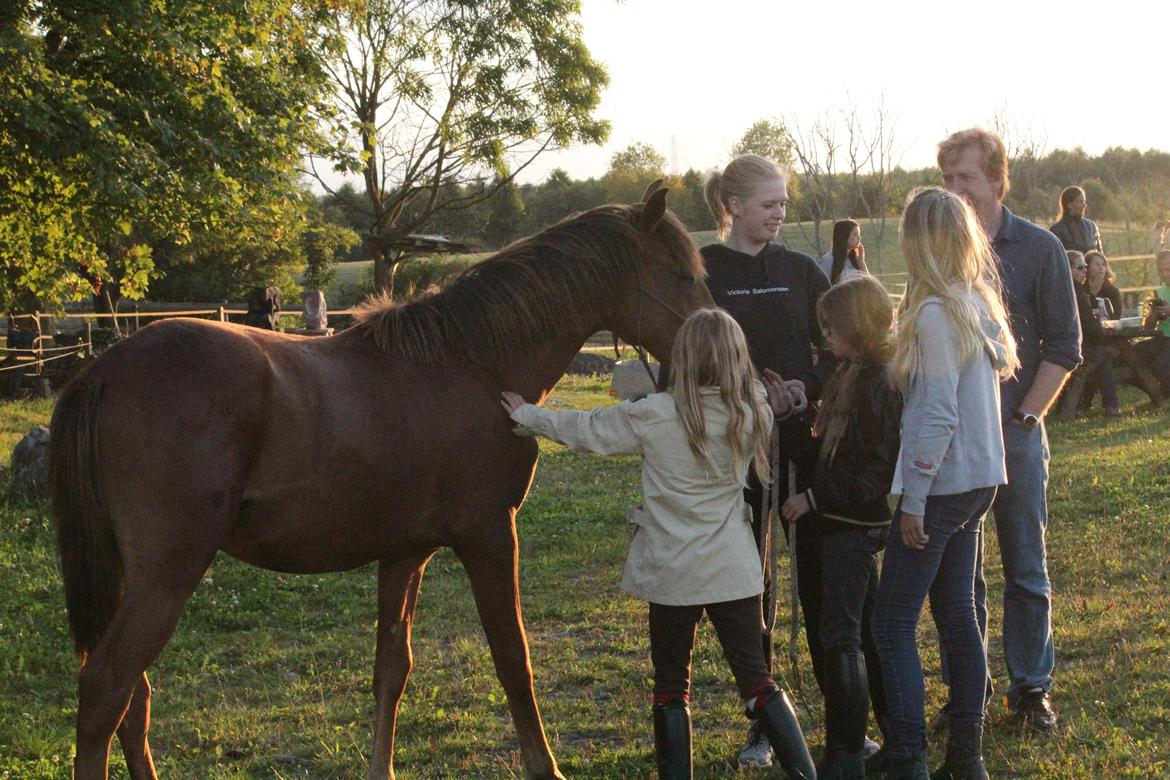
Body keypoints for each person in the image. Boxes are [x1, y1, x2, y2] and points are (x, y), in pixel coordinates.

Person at [501, 308, 817, 780]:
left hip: (672, 571)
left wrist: (526, 415)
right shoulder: (753, 409)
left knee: (671, 687)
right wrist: (788, 395)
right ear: (737, 357)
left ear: (682, 358)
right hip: (733, 568)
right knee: (756, 681)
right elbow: (777, 403)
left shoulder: (653, 414)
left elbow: (587, 429)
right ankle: (807, 775)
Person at [872, 186, 1019, 779]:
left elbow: (936, 412)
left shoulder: (935, 313)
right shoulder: (976, 300)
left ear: (917, 243)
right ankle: (967, 755)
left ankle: (909, 755)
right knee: (958, 612)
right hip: (979, 480)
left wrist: (914, 497)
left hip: (942, 484)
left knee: (892, 621)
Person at [937, 128, 1081, 735]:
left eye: (964, 178)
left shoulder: (1040, 247)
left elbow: (1065, 346)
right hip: (956, 442)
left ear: (997, 179)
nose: (954, 190)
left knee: (1025, 566)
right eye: (946, 179)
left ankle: (1032, 691)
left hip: (1018, 435)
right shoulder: (941, 251)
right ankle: (968, 690)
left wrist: (1025, 418)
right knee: (960, 573)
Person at [701, 154, 838, 768]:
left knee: (819, 578)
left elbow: (843, 347)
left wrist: (804, 386)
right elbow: (685, 360)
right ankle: (764, 722)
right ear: (733, 207)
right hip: (737, 451)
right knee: (749, 581)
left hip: (806, 445)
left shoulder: (803, 269)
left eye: (784, 202)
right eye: (768, 203)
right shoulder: (703, 272)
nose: (780, 213)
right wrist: (752, 395)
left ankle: (842, 715)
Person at [771, 274, 900, 779]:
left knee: (840, 635)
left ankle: (845, 755)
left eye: (831, 327)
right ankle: (894, 735)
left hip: (853, 525)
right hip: (842, 521)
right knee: (863, 631)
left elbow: (873, 472)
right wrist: (788, 416)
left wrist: (814, 498)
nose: (824, 337)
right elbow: (829, 455)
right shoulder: (853, 373)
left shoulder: (878, 381)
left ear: (857, 327)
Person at [1077, 249, 1122, 416]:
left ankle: (1087, 403)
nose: (1101, 267)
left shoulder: (1112, 292)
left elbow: (1116, 319)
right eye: (1096, 264)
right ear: (1086, 267)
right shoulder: (1081, 291)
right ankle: (1111, 406)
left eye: (1104, 264)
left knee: (1102, 355)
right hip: (1088, 340)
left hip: (1109, 340)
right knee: (1101, 358)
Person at [1136, 249, 1170, 395]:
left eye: (1168, 269)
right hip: (1161, 338)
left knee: (1160, 363)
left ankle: (1162, 394)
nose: (1164, 274)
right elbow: (1148, 327)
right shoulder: (1159, 291)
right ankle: (1155, 392)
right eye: (1160, 270)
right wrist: (1153, 314)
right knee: (1132, 355)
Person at [1049, 185, 1103, 254]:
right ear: (1069, 205)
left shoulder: (1091, 227)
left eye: (1084, 201)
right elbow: (1056, 257)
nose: (1084, 205)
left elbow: (1100, 255)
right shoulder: (1057, 230)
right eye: (1081, 202)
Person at [818, 219, 869, 285]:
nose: (859, 238)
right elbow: (821, 288)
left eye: (859, 234)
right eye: (855, 234)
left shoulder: (856, 260)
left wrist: (861, 262)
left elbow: (869, 287)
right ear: (844, 236)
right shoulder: (827, 260)